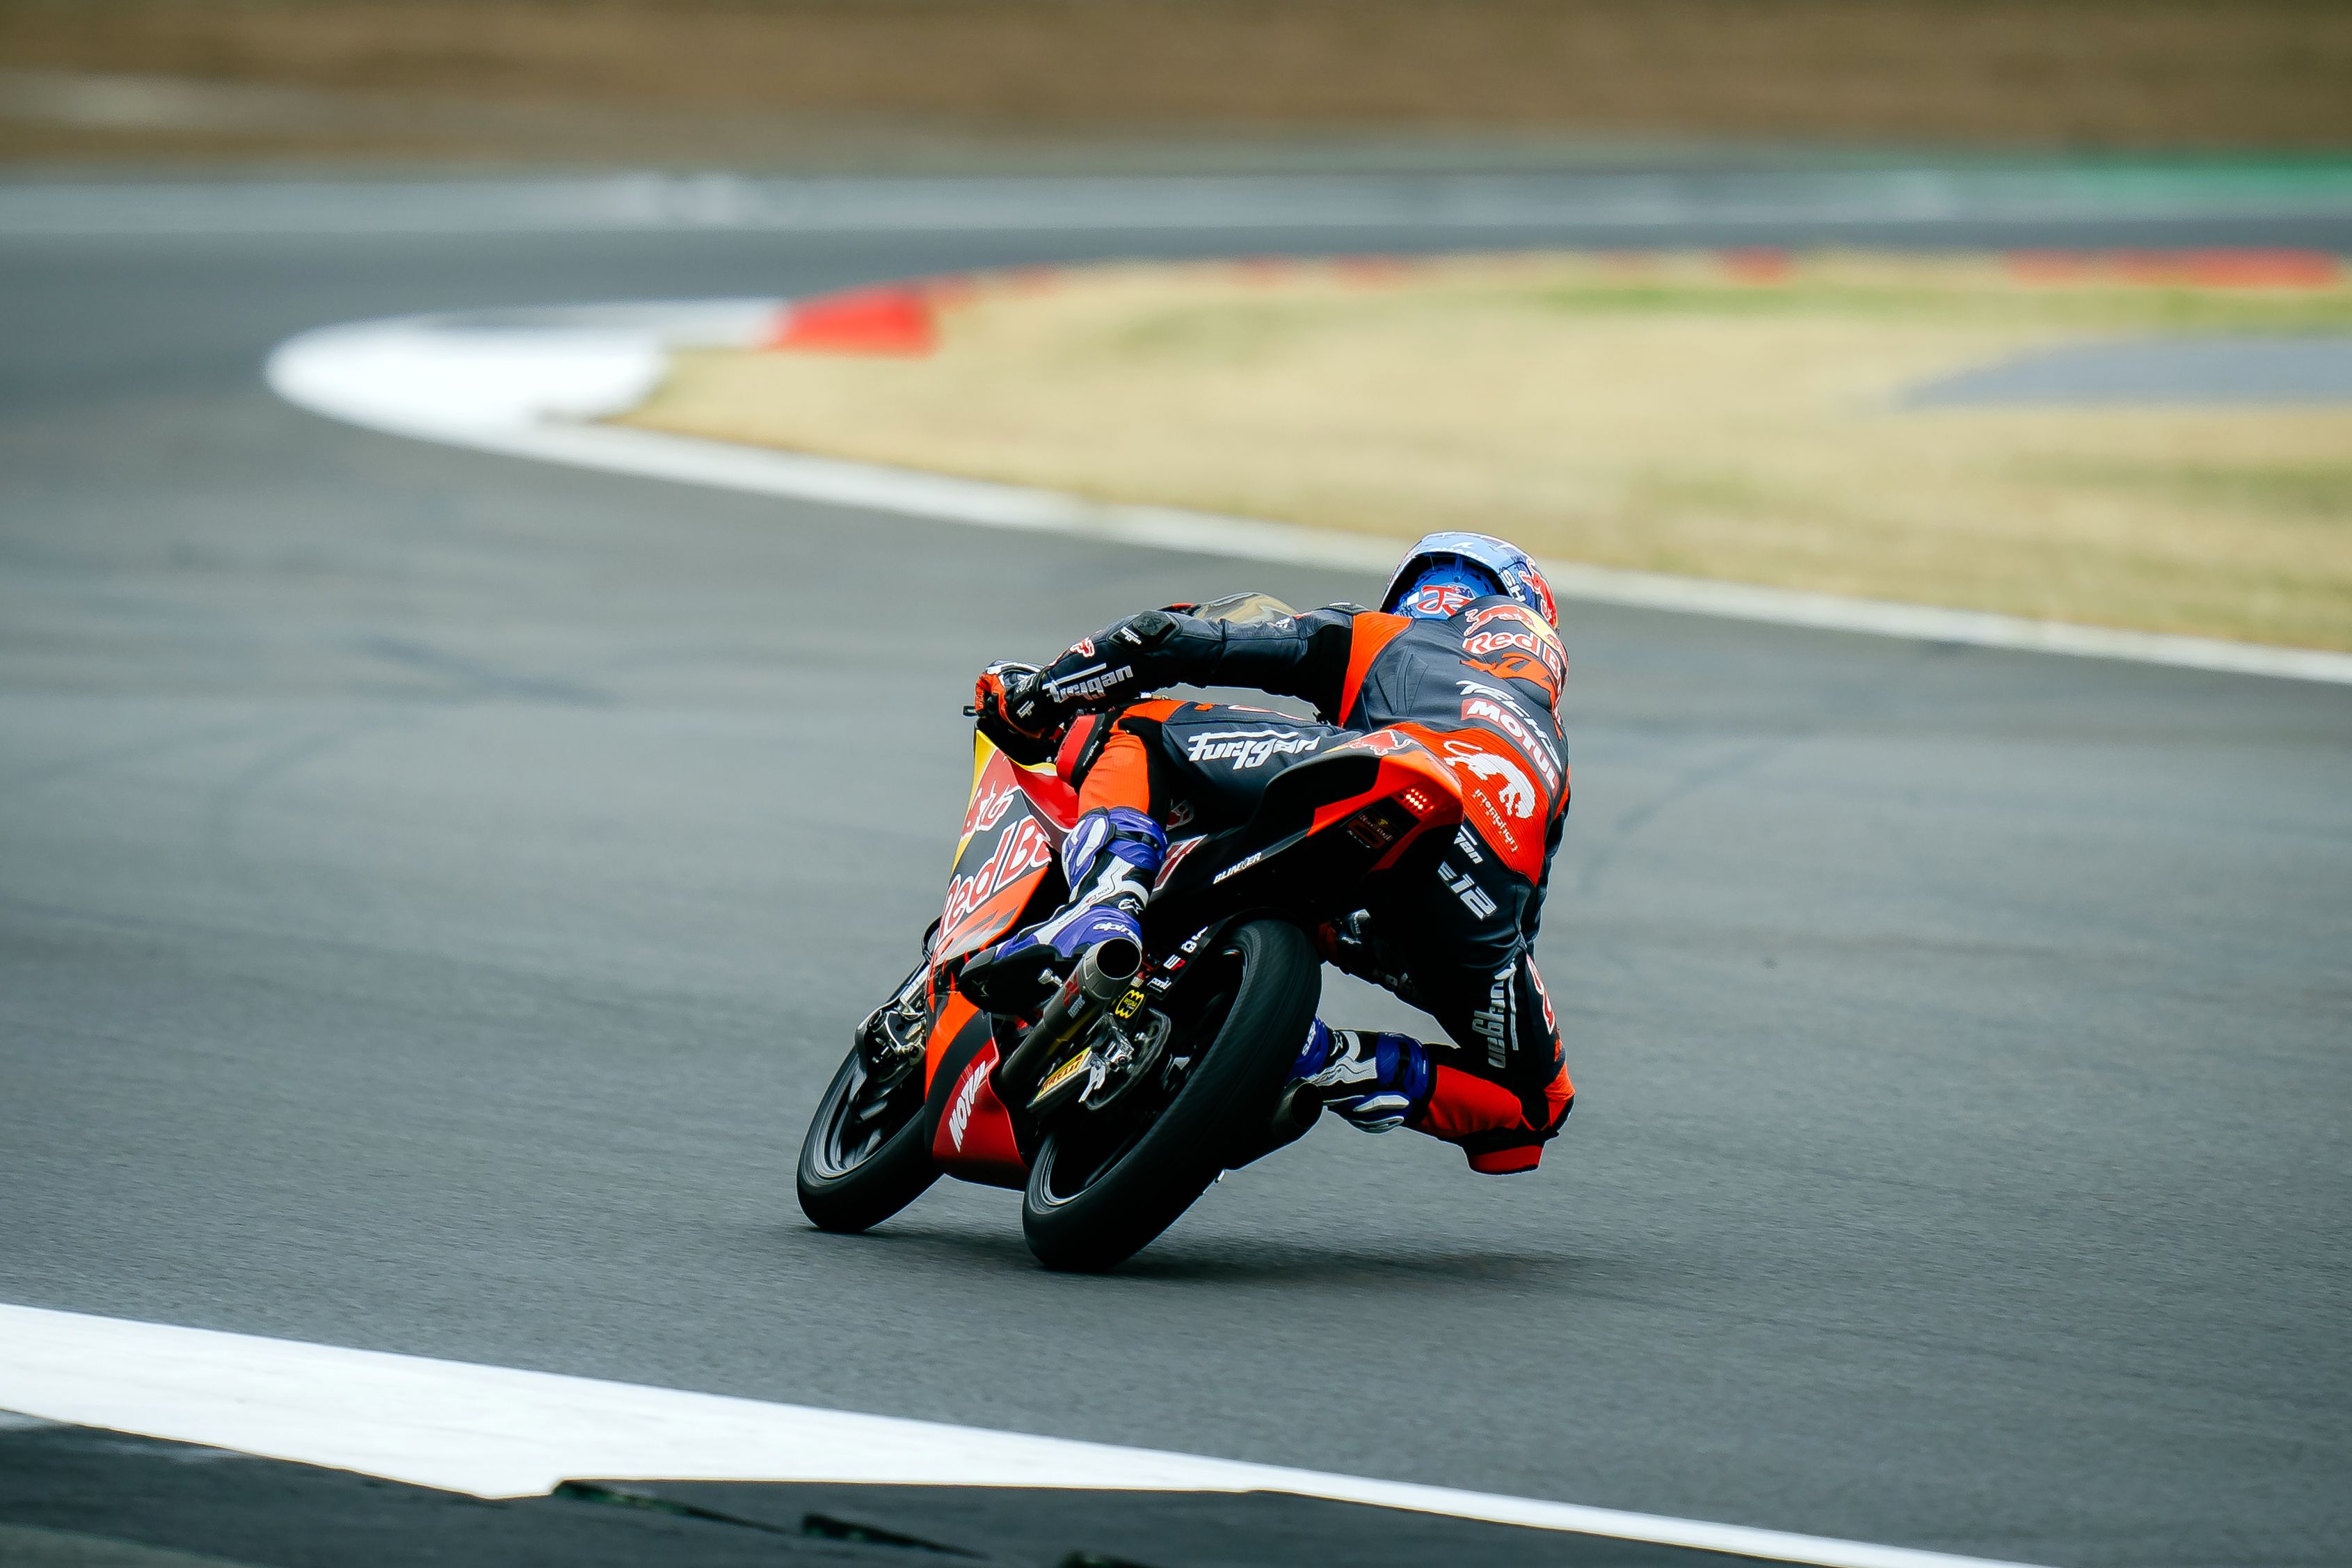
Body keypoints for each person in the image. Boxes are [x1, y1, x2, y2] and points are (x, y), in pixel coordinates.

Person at [963, 531, 1574, 1175]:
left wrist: (1041, 696)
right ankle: (1323, 1060)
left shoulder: (1387, 635)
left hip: (1392, 772)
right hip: (1473, 899)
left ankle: (1104, 904)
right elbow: (1519, 919)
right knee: (1537, 1105)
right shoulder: (1551, 751)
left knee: (1138, 728)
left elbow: (1160, 638)